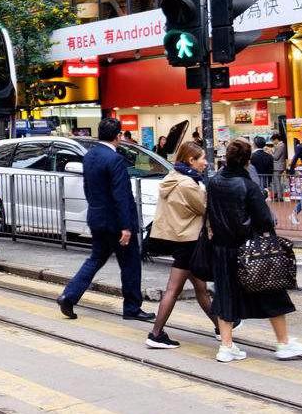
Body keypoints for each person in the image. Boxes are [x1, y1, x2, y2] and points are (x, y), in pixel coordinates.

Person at [207, 139, 302, 363]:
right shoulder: (248, 186)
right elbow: (265, 220)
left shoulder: (214, 182)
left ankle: (226, 346)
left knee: (226, 295)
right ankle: (283, 343)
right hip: (250, 250)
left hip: (223, 249)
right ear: (246, 161)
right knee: (271, 292)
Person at [57, 118, 151, 321]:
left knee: (96, 259)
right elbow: (121, 195)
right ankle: (132, 308)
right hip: (117, 223)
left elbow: (88, 188)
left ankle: (69, 296)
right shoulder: (114, 159)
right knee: (131, 264)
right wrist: (126, 226)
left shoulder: (89, 156)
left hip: (97, 218)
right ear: (118, 136)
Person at [145, 142, 214, 349]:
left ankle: (221, 325)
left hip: (178, 237)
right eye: (202, 158)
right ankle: (156, 333)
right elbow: (204, 208)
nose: (206, 162)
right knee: (173, 289)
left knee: (201, 287)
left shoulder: (172, 178)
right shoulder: (188, 184)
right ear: (191, 160)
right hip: (188, 240)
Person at [270, 133, 288, 201]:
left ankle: (279, 196)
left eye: (273, 140)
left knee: (277, 181)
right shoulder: (280, 145)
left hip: (278, 166)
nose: (273, 142)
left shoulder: (281, 146)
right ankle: (278, 195)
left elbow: (275, 157)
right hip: (279, 166)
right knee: (277, 181)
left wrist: (270, 151)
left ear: (276, 139)